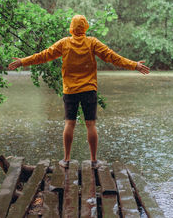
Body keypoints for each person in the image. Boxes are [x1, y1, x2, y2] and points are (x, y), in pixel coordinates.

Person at [8, 15, 150, 168]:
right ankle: (94, 160)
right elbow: (112, 57)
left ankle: (67, 160)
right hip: (89, 90)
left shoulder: (64, 43)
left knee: (69, 123)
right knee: (90, 125)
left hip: (70, 91)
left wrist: (23, 61)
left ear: (72, 28)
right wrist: (134, 65)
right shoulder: (92, 42)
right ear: (85, 27)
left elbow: (43, 56)